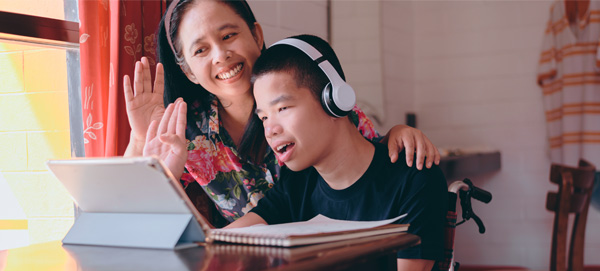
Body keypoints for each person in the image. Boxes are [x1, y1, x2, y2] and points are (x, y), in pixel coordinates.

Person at [155, 34, 447, 271]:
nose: (271, 128)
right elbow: (219, 241)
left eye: (282, 109)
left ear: (334, 99)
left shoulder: (412, 176)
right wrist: (166, 171)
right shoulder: (299, 182)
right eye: (263, 116)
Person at [122, 0, 442, 225]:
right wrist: (140, 140)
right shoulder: (186, 131)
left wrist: (396, 135)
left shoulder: (314, 102)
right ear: (189, 71)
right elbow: (129, 212)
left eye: (228, 35)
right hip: (250, 268)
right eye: (201, 50)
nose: (221, 55)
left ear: (257, 36)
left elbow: (371, 172)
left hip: (320, 270)